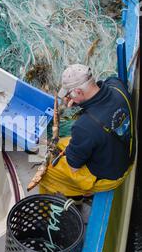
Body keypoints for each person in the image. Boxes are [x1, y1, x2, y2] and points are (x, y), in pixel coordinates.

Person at [39, 64, 135, 198]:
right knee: (62, 143)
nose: (68, 99)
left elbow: (74, 167)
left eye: (69, 95)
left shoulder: (84, 126)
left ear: (78, 92)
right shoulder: (116, 86)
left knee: (46, 172)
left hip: (110, 177)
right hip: (126, 155)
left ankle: (62, 203)